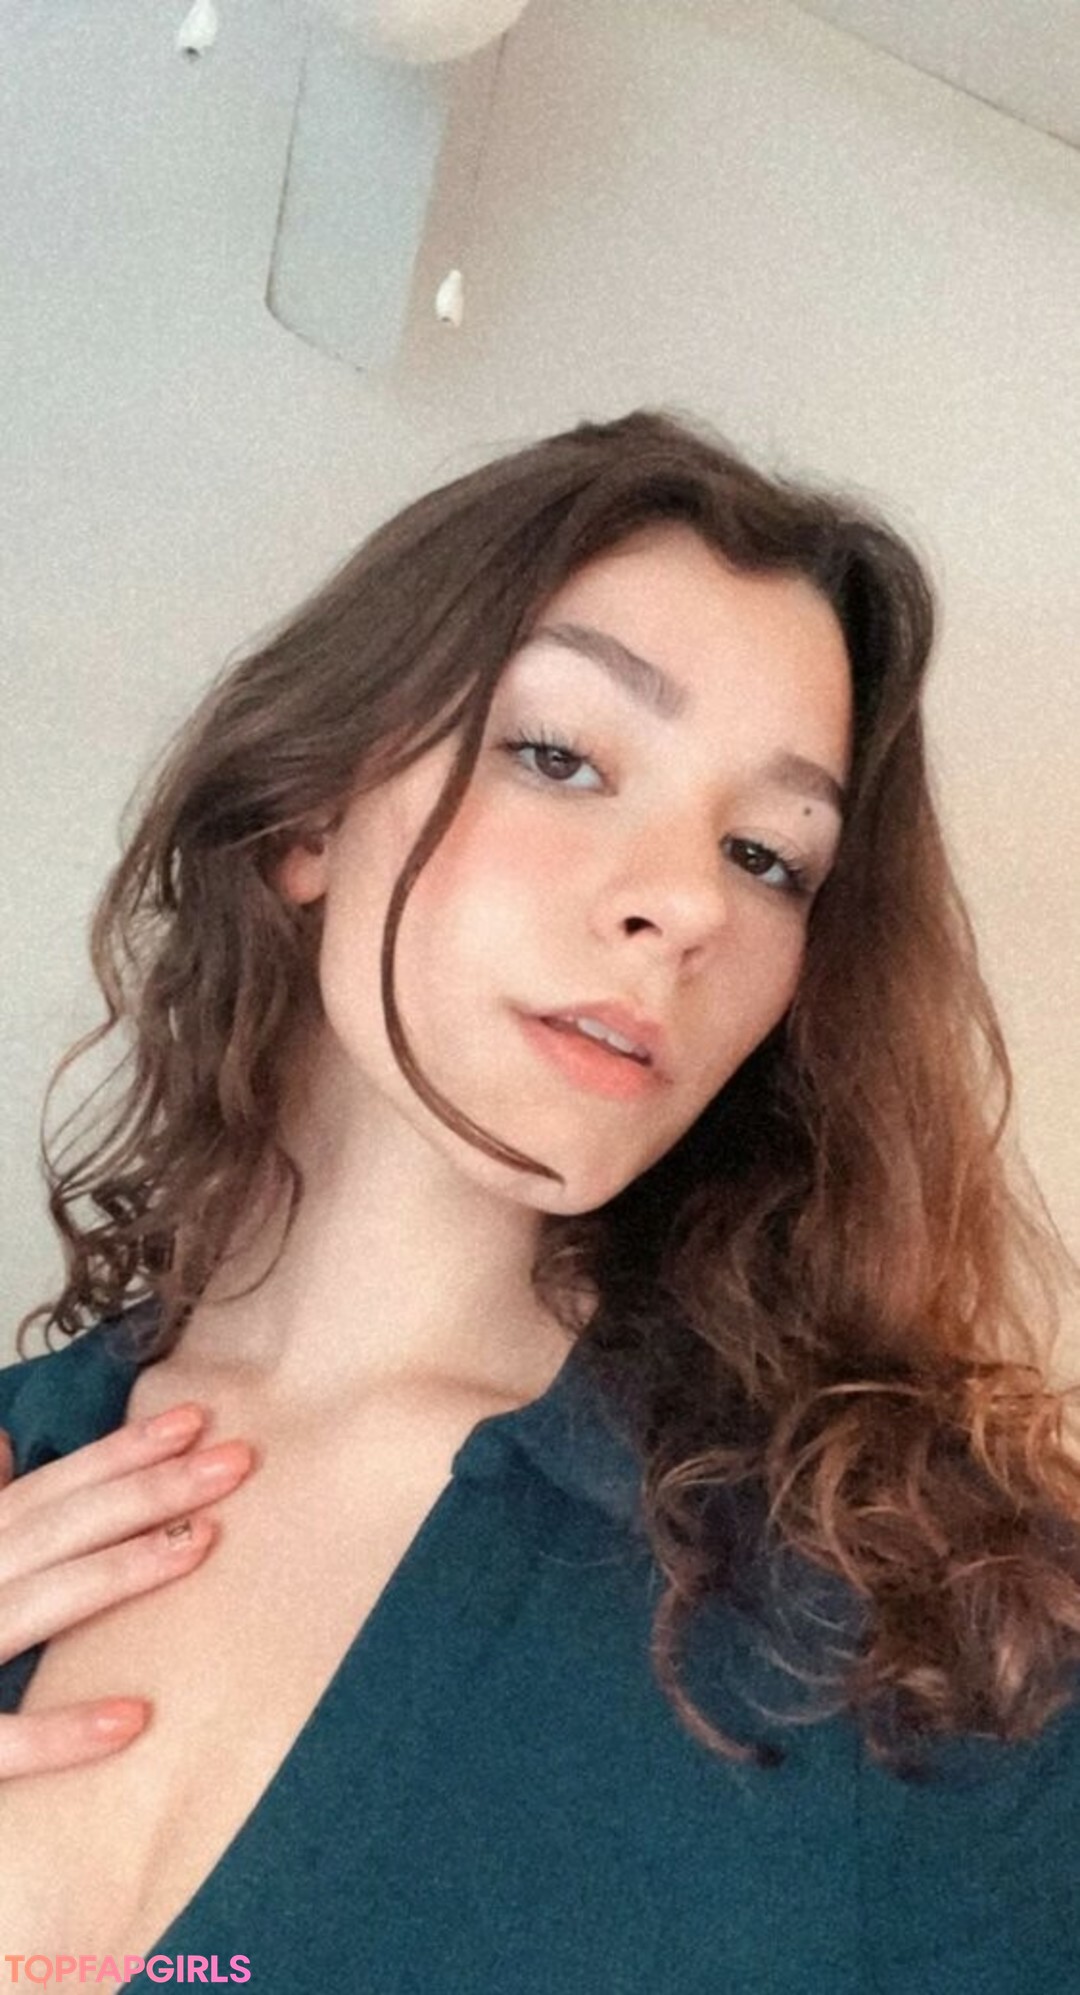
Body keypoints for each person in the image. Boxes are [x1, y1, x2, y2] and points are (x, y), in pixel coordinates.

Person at [0, 409, 1078, 1992]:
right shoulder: (27, 1456)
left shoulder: (930, 1626)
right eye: (562, 757)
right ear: (307, 814)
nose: (688, 902)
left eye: (769, 857)